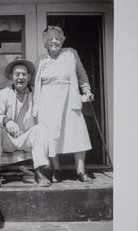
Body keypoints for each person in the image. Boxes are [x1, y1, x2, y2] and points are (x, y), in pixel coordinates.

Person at [33, 26, 94, 183]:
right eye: (51, 38)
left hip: (69, 97)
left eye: (58, 38)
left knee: (77, 132)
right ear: (45, 43)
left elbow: (82, 75)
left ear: (62, 40)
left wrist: (86, 91)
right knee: (52, 135)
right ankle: (56, 170)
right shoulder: (40, 60)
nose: (55, 41)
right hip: (47, 101)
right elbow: (34, 83)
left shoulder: (71, 54)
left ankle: (81, 171)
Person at [0, 58, 51, 187]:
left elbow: (44, 115)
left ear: (29, 76)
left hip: (25, 139)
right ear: (11, 77)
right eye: (17, 74)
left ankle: (39, 173)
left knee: (41, 129)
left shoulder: (36, 95)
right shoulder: (3, 94)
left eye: (24, 74)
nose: (21, 78)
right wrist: (7, 121)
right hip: (8, 140)